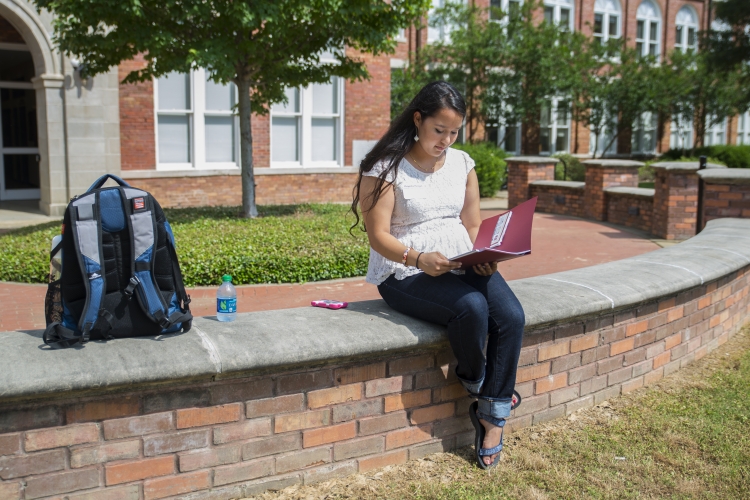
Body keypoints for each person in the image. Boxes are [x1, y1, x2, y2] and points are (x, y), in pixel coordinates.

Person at [350, 81, 525, 469]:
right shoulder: (385, 167)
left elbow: (472, 223)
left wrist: (486, 257)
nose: (446, 140)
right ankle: (480, 384)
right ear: (418, 119)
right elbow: (378, 237)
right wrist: (417, 258)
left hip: (459, 261)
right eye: (438, 130)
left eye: (454, 131)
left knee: (512, 317)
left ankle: (491, 416)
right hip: (402, 271)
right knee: (471, 308)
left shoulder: (463, 163)